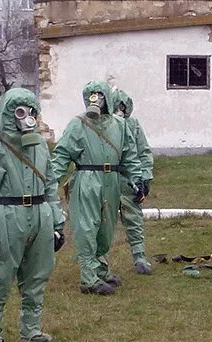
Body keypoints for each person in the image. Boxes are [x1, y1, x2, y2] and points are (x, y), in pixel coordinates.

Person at [0, 87, 64, 342]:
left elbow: (50, 183)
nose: (26, 117)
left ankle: (31, 331)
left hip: (39, 212)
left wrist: (57, 222)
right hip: (7, 213)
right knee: (1, 276)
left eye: (31, 111)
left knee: (37, 276)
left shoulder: (38, 145)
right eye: (19, 111)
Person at [49, 81, 150, 294]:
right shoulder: (78, 124)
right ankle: (88, 277)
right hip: (87, 178)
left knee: (106, 228)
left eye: (100, 95)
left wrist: (138, 179)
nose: (97, 101)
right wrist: (51, 184)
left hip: (111, 179)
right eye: (92, 96)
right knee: (87, 228)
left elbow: (130, 154)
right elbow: (62, 154)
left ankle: (101, 269)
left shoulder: (120, 126)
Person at [112, 87, 156, 275]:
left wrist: (144, 178)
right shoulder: (100, 124)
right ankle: (98, 262)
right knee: (102, 221)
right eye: (116, 106)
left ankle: (139, 256)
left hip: (130, 178)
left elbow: (143, 152)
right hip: (106, 177)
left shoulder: (134, 125)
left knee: (134, 218)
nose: (120, 110)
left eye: (123, 106)